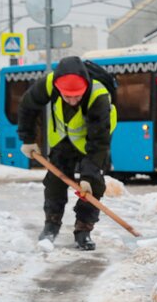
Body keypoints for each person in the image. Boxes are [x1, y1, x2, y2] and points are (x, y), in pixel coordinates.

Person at [16, 56, 116, 250]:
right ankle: (51, 226)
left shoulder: (99, 96)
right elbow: (27, 106)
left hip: (92, 142)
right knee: (54, 183)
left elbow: (99, 141)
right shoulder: (49, 84)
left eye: (77, 96)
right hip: (62, 141)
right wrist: (28, 139)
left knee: (93, 186)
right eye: (67, 96)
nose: (72, 100)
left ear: (85, 87)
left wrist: (89, 173)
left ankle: (83, 230)